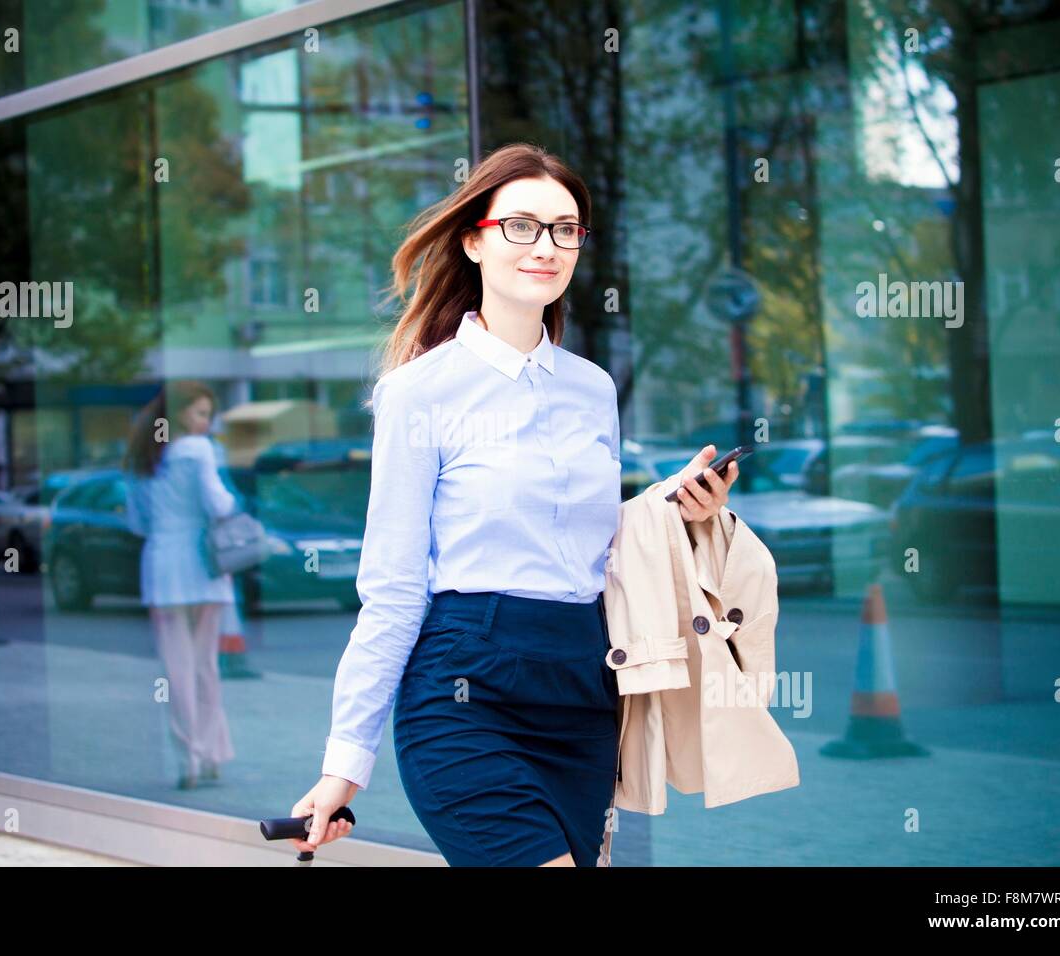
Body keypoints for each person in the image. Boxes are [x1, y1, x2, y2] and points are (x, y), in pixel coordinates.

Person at [290, 143, 739, 865]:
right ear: (474, 239)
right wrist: (344, 765)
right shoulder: (418, 393)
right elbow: (394, 588)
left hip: (583, 684)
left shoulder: (593, 389)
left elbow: (589, 548)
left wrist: (672, 511)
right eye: (522, 226)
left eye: (567, 229)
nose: (548, 246)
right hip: (467, 689)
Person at [122, 380, 240, 790]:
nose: (206, 422)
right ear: (180, 414)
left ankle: (188, 756)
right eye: (200, 414)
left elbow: (136, 523)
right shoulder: (198, 450)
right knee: (206, 666)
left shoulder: (142, 458)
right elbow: (219, 505)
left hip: (162, 567)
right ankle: (211, 753)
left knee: (177, 670)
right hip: (203, 565)